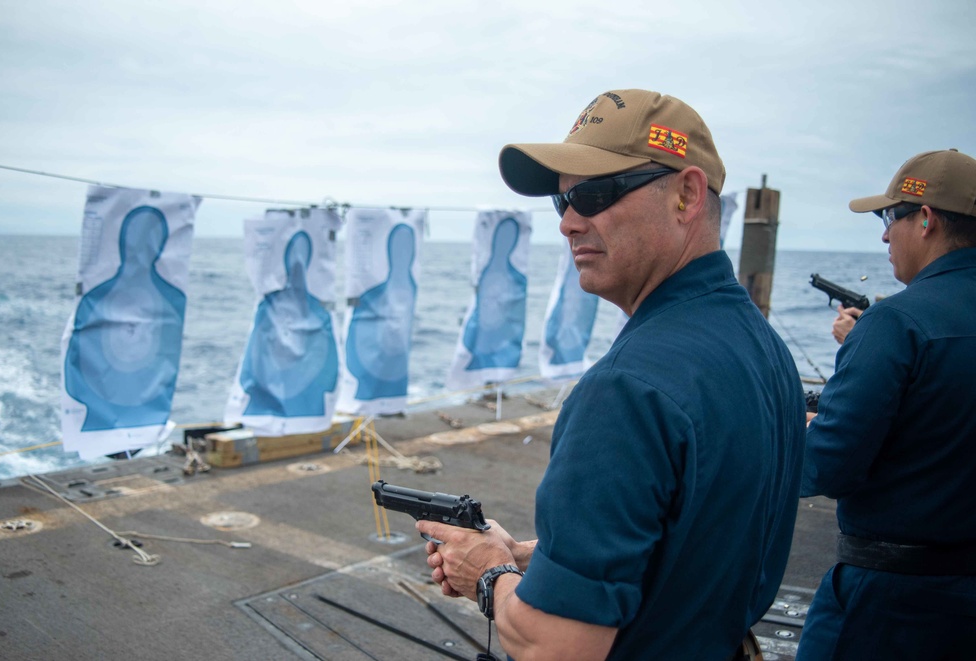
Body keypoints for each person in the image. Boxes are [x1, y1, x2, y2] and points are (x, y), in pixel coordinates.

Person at [417, 89, 806, 660]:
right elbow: (686, 547)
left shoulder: (626, 390)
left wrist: (488, 572)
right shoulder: (762, 347)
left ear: (687, 195)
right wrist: (530, 559)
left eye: (595, 193)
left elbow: (558, 647)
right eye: (562, 202)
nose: (570, 223)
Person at [798, 148, 976, 660]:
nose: (882, 234)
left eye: (888, 216)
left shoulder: (894, 324)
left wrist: (803, 427)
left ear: (925, 219)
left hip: (892, 603)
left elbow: (825, 467)